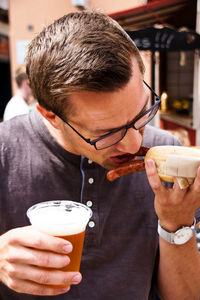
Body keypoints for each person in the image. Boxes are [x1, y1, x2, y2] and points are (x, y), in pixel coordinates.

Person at [0, 10, 200, 300]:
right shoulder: (5, 152)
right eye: (107, 133)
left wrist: (177, 222)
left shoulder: (169, 153)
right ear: (50, 115)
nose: (133, 145)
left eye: (142, 113)